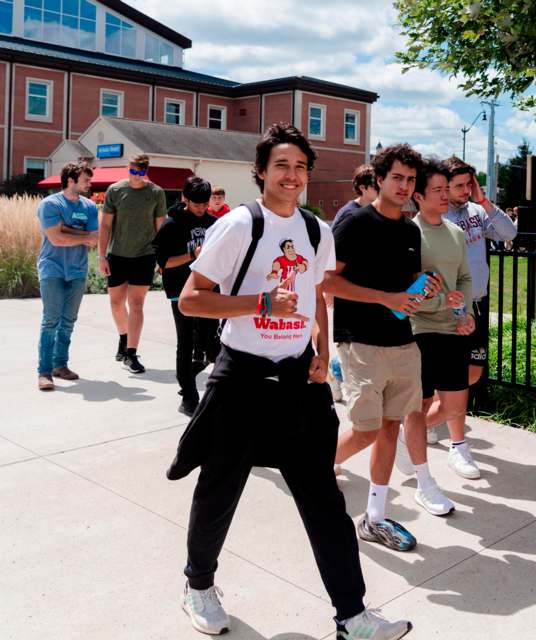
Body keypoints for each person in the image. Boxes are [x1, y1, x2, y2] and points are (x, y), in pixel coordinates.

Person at [167, 123, 412, 639]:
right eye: (282, 165)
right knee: (219, 489)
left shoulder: (316, 229)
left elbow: (319, 293)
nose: (292, 175)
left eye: (300, 167)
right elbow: (192, 299)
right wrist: (258, 304)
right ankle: (198, 585)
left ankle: (353, 615)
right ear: (261, 171)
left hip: (300, 381)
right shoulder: (238, 225)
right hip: (242, 378)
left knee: (324, 499)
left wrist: (322, 351)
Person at [327, 143, 440, 551]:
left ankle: (375, 516)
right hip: (360, 342)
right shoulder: (355, 223)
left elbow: (404, 291)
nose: (405, 186)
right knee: (366, 429)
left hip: (401, 339)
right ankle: (318, 468)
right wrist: (384, 298)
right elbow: (328, 283)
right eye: (397, 178)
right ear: (378, 178)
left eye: (411, 180)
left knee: (392, 426)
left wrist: (422, 289)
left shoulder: (410, 229)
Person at [394, 158, 474, 516]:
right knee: (420, 405)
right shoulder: (408, 234)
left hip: (452, 330)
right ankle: (425, 483)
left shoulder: (455, 233)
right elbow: (403, 293)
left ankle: (401, 437)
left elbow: (465, 280)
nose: (446, 195)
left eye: (448, 189)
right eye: (438, 190)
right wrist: (443, 301)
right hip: (419, 330)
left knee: (455, 406)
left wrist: (465, 313)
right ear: (420, 196)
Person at [441, 156, 517, 478]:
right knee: (454, 376)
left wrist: (484, 200)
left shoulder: (475, 212)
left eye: (469, 184)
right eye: (459, 185)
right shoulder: (437, 215)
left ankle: (418, 424)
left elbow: (507, 232)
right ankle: (456, 443)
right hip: (451, 306)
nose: (465, 190)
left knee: (472, 373)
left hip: (478, 302)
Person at [153, 176, 219, 416]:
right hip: (180, 293)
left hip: (210, 292)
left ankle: (187, 376)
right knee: (186, 343)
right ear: (185, 199)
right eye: (196, 204)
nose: (201, 209)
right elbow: (164, 263)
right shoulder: (172, 225)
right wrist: (194, 254)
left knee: (212, 346)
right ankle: (189, 397)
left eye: (205, 204)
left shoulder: (215, 223)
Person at [98, 153, 167, 373]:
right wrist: (102, 256)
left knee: (136, 304)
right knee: (116, 303)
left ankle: (131, 353)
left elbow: (161, 227)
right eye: (133, 172)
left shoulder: (156, 193)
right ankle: (123, 337)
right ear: (128, 169)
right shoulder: (115, 191)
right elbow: (106, 226)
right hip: (117, 255)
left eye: (141, 172)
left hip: (144, 256)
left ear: (146, 172)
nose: (136, 177)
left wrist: (163, 258)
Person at [35, 161, 98, 390]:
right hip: (52, 268)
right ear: (71, 180)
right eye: (86, 180)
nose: (90, 184)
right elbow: (55, 239)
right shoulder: (50, 204)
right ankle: (44, 372)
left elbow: (95, 238)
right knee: (51, 320)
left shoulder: (90, 206)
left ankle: (60, 365)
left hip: (77, 271)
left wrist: (66, 229)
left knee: (68, 322)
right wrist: (80, 235)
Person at [331, 164, 379, 231]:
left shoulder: (377, 210)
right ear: (362, 187)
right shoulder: (349, 213)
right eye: (375, 186)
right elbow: (334, 239)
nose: (379, 189)